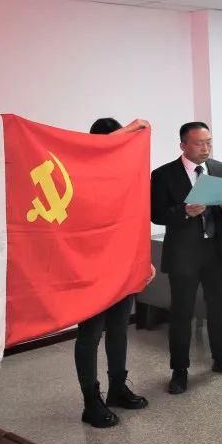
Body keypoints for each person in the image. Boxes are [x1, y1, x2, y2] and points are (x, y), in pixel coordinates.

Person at [151, 122, 222, 396]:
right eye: (199, 143)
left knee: (219, 307)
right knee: (182, 312)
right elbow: (156, 214)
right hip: (184, 253)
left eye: (209, 142)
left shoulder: (219, 169)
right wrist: (184, 211)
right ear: (183, 145)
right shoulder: (164, 174)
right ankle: (179, 371)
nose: (206, 148)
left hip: (215, 249)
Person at [70, 118, 154, 428]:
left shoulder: (126, 178)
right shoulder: (80, 176)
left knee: (119, 329)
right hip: (91, 270)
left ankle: (118, 387)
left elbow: (136, 221)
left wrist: (143, 260)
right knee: (90, 335)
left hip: (123, 266)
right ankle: (91, 401)